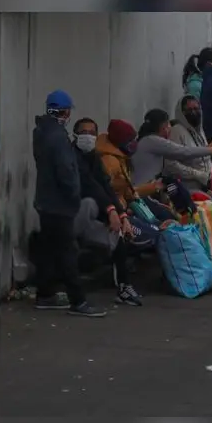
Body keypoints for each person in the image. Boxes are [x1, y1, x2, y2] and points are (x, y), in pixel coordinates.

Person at [31, 90, 102, 317]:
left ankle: (45, 295)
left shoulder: (41, 132)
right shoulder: (58, 137)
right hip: (59, 204)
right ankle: (78, 301)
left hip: (45, 201)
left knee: (50, 250)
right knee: (68, 251)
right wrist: (74, 195)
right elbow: (66, 172)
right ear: (63, 111)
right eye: (68, 110)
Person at [72, 118, 144, 306]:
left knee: (117, 233)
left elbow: (105, 187)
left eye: (92, 132)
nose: (88, 136)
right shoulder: (71, 156)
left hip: (93, 216)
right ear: (75, 134)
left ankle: (124, 287)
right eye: (83, 132)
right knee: (89, 204)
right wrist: (111, 210)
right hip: (72, 216)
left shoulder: (94, 157)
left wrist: (121, 215)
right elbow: (89, 185)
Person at [131, 108, 212, 210]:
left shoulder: (148, 140)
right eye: (168, 124)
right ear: (162, 126)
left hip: (150, 190)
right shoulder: (153, 141)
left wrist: (211, 146)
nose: (170, 128)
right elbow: (184, 152)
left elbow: (185, 152)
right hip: (144, 193)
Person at [166, 95, 212, 233]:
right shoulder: (177, 131)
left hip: (206, 184)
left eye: (196, 108)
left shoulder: (198, 129)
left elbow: (198, 155)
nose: (194, 112)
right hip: (188, 185)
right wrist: (199, 175)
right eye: (189, 110)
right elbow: (171, 165)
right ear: (181, 112)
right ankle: (205, 240)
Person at [95, 118, 176, 224]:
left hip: (127, 206)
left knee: (164, 214)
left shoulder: (121, 158)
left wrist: (154, 187)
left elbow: (129, 192)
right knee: (156, 231)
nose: (134, 143)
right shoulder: (110, 162)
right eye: (130, 140)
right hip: (119, 214)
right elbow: (110, 193)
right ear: (120, 142)